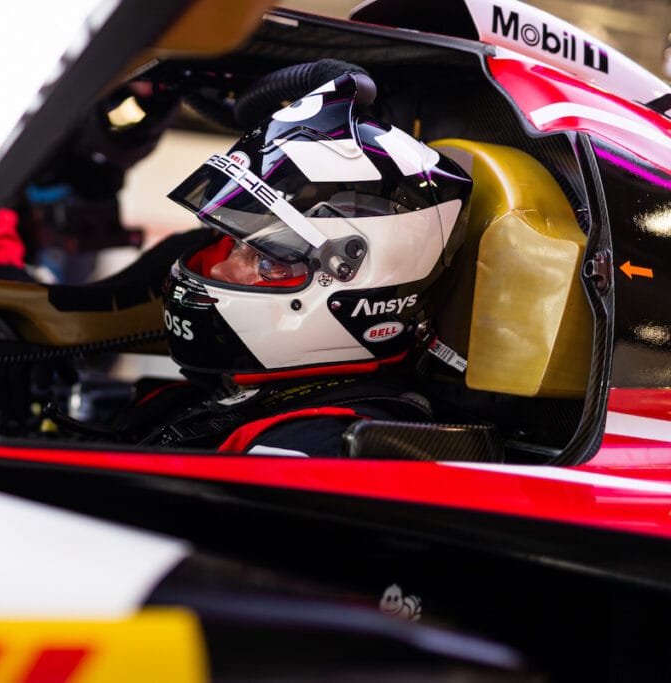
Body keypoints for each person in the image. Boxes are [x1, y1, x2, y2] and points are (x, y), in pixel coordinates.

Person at [114, 64, 474, 456]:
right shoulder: (233, 393)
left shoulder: (318, 447)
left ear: (352, 279)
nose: (218, 270)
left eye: (267, 260)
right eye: (235, 246)